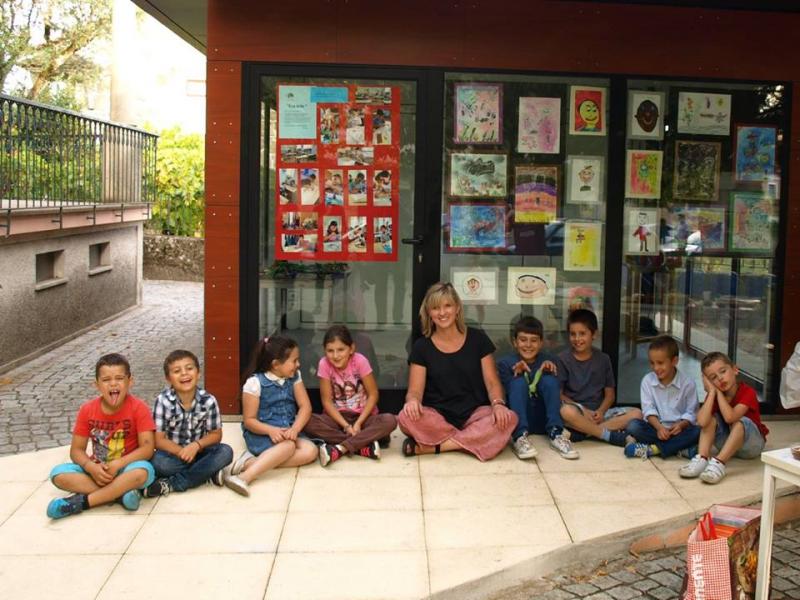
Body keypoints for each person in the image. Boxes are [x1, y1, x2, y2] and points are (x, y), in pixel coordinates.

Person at [398, 282, 517, 461]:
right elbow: (414, 391)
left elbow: (493, 383)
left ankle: (435, 447)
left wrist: (498, 404)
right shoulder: (422, 347)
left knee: (510, 418)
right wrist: (413, 401)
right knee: (404, 418)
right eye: (436, 308)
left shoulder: (478, 339)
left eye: (447, 306)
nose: (442, 313)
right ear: (429, 312)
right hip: (437, 416)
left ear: (457, 308)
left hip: (475, 413)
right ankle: (473, 440)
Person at [47, 353, 155, 519]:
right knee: (58, 474)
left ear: (130, 381)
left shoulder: (139, 408)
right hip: (97, 469)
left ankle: (82, 502)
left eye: (119, 378)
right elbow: (76, 451)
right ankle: (119, 494)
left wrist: (120, 463)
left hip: (127, 468)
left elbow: (147, 449)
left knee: (143, 472)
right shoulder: (87, 410)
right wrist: (91, 467)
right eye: (106, 380)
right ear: (96, 384)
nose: (113, 383)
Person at [223, 335, 317, 496]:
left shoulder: (294, 376)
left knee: (311, 451)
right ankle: (244, 477)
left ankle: (249, 463)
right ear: (275, 365)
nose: (298, 364)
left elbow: (305, 407)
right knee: (288, 447)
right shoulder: (255, 383)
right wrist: (271, 431)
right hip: (261, 433)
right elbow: (249, 421)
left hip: (287, 431)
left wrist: (295, 429)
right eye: (294, 361)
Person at [144, 350, 234, 497]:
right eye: (177, 371)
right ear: (168, 378)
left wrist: (195, 446)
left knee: (225, 452)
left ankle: (173, 484)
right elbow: (158, 440)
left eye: (189, 368)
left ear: (198, 373)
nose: (184, 374)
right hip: (173, 455)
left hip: (200, 452)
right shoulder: (163, 401)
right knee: (158, 463)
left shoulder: (208, 400)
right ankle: (205, 474)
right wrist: (181, 452)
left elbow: (216, 435)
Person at [303, 325, 397, 466]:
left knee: (390, 420)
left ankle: (340, 448)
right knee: (307, 421)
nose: (335, 355)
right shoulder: (324, 364)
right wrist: (347, 426)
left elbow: (373, 394)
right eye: (330, 351)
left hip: (364, 418)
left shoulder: (360, 361)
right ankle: (363, 446)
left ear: (351, 349)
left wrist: (358, 423)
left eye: (341, 349)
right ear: (324, 351)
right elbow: (327, 402)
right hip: (337, 420)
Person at [679, 352, 769, 484]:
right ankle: (702, 459)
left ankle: (718, 464)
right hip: (728, 444)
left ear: (735, 370)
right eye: (713, 377)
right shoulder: (714, 395)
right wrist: (711, 394)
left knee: (740, 422)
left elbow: (730, 417)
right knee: (711, 418)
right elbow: (702, 422)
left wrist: (718, 393)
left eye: (723, 371)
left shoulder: (747, 392)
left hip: (751, 445)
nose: (720, 378)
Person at [497, 316, 578, 460]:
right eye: (523, 340)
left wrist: (544, 371)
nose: (528, 345)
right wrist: (517, 374)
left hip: (543, 417)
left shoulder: (550, 360)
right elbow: (506, 393)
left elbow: (555, 390)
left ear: (541, 343)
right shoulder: (505, 363)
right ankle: (519, 438)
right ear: (515, 342)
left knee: (550, 380)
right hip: (520, 418)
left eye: (534, 340)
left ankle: (555, 433)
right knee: (518, 383)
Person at [558, 309, 642, 446]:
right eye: (573, 334)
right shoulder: (562, 359)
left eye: (582, 334)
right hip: (577, 411)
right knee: (566, 412)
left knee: (637, 414)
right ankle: (609, 436)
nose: (577, 339)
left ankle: (583, 433)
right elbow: (559, 395)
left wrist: (601, 412)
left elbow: (610, 395)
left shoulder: (603, 359)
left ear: (594, 334)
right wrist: (583, 410)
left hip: (600, 414)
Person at [623, 336, 700, 459]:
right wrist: (659, 428)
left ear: (674, 361)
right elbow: (648, 410)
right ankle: (679, 449)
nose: (655, 368)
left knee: (698, 431)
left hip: (679, 430)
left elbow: (691, 413)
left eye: (660, 363)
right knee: (633, 426)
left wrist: (681, 425)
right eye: (652, 363)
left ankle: (654, 449)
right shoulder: (647, 381)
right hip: (656, 428)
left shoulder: (688, 384)